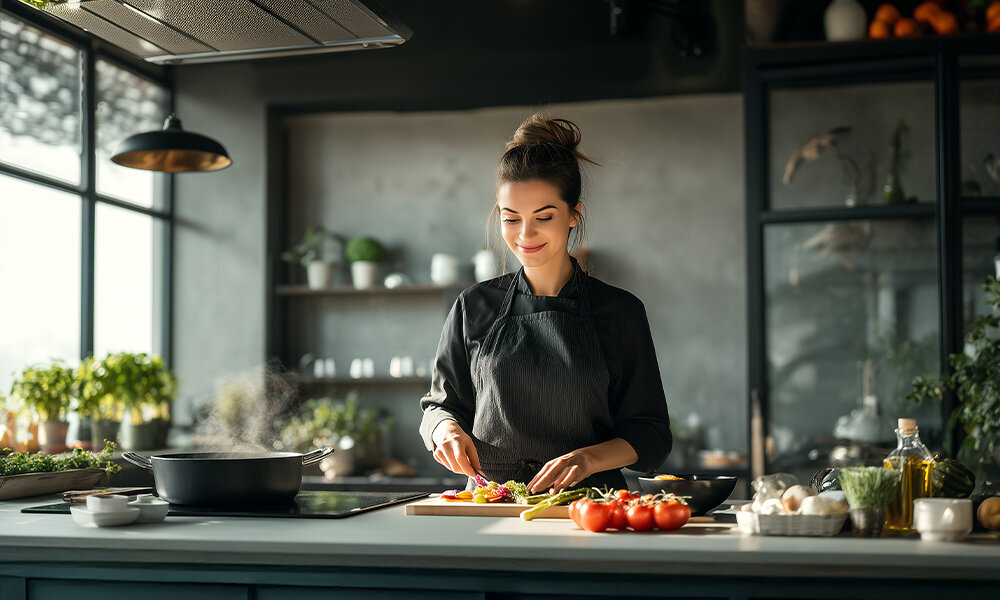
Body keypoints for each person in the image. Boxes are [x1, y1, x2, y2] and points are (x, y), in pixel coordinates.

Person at [419, 114, 672, 494]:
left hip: (591, 509)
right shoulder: (473, 306)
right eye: (511, 218)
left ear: (574, 214)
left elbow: (650, 433)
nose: (525, 235)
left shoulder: (620, 312)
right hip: (492, 505)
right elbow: (439, 406)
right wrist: (445, 430)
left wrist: (586, 459)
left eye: (544, 217)